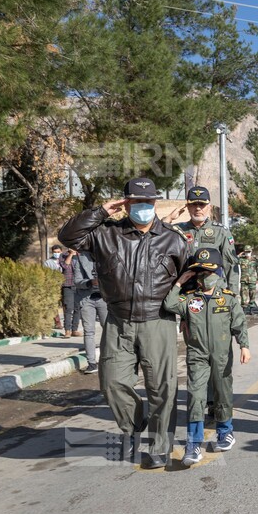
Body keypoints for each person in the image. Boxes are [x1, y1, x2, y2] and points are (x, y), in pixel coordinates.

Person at [59, 177, 189, 469]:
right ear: (125, 203)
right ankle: (134, 425)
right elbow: (67, 237)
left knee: (162, 388)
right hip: (118, 321)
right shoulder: (105, 234)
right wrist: (101, 211)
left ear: (155, 203)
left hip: (159, 321)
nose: (142, 206)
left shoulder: (173, 238)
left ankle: (160, 447)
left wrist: (187, 317)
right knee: (112, 383)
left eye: (147, 201)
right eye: (135, 201)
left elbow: (189, 282)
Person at [163, 248, 250, 466]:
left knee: (222, 393)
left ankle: (225, 432)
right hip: (197, 355)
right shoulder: (191, 300)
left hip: (221, 355)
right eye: (199, 272)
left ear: (219, 272)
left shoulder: (228, 299)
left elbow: (239, 323)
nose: (204, 276)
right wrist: (179, 283)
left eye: (208, 271)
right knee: (195, 397)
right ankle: (193, 444)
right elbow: (169, 304)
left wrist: (244, 346)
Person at [165, 186, 239, 290]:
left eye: (202, 204)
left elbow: (230, 264)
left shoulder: (221, 232)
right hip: (184, 291)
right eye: (194, 204)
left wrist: (234, 294)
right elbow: (156, 238)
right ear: (188, 207)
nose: (198, 208)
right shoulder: (177, 230)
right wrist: (168, 219)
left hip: (213, 292)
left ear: (209, 206)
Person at [70, 250, 107, 375]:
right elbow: (77, 281)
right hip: (86, 299)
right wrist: (90, 282)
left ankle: (108, 360)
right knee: (89, 331)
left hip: (105, 299)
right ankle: (91, 363)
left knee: (109, 330)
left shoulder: (108, 255)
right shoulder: (79, 258)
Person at [59, 248, 81, 337]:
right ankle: (67, 330)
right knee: (68, 308)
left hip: (79, 285)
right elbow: (65, 266)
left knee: (78, 308)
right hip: (68, 285)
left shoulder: (81, 255)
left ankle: (74, 330)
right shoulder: (63, 255)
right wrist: (71, 254)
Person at [237, 246, 258, 315]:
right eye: (246, 252)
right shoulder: (241, 259)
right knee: (243, 295)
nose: (248, 253)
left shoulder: (254, 260)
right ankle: (244, 309)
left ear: (251, 251)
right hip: (244, 280)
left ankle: (251, 309)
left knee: (252, 295)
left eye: (249, 252)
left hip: (252, 280)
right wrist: (239, 255)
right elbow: (234, 261)